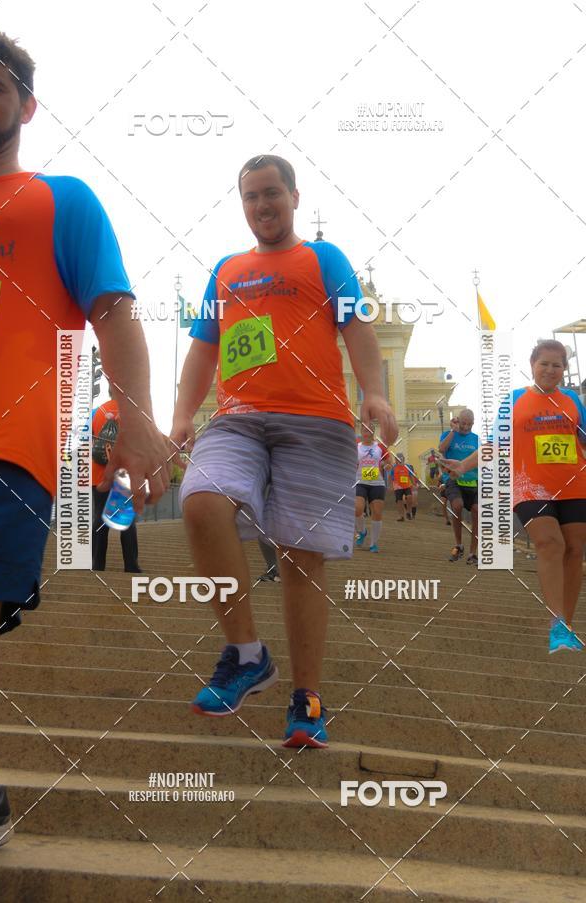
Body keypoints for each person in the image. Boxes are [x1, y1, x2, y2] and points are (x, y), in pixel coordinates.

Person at [0, 28, 171, 849]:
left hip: (4, 447)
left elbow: (114, 312)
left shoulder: (61, 200)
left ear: (25, 106)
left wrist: (136, 421)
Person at [171, 153, 398, 749]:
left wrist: (374, 392)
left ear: (294, 196)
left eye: (272, 192)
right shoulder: (226, 270)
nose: (262, 204)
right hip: (238, 419)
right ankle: (247, 653)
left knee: (301, 560)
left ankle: (307, 699)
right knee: (200, 501)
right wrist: (180, 415)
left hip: (315, 422)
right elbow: (203, 349)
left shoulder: (324, 258)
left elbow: (358, 327)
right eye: (251, 196)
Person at [445, 341, 586, 652]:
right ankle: (556, 622)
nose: (550, 370)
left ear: (564, 369)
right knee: (550, 543)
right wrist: (464, 465)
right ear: (532, 364)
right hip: (529, 485)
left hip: (574, 483)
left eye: (557, 365)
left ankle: (567, 626)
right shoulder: (515, 400)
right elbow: (495, 444)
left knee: (575, 550)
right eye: (544, 363)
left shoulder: (573, 400)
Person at [91, 385, 141, 573]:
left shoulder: (97, 412)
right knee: (126, 520)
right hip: (123, 473)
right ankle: (131, 565)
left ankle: (97, 565)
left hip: (99, 473)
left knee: (99, 518)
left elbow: (90, 439)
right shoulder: (131, 412)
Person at [439, 411, 479, 564]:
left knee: (477, 512)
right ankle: (459, 544)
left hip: (473, 481)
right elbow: (441, 449)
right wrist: (453, 431)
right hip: (453, 479)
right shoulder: (448, 434)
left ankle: (472, 553)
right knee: (457, 505)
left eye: (469, 424)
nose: (466, 427)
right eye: (463, 423)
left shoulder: (476, 439)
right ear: (457, 421)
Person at [355, 424, 388, 552]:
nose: (367, 433)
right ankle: (362, 531)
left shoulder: (380, 447)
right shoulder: (356, 446)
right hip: (360, 481)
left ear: (373, 432)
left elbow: (388, 461)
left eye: (369, 431)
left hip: (377, 483)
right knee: (357, 509)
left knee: (377, 512)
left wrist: (387, 465)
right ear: (361, 432)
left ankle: (373, 543)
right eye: (365, 431)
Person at [391, 453, 412, 521]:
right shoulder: (394, 467)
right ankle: (401, 516)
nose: (399, 459)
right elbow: (390, 477)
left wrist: (414, 484)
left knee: (409, 497)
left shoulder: (408, 466)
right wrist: (391, 486)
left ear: (403, 459)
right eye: (397, 458)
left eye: (401, 458)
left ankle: (408, 512)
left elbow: (411, 475)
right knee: (399, 501)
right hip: (397, 486)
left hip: (407, 485)